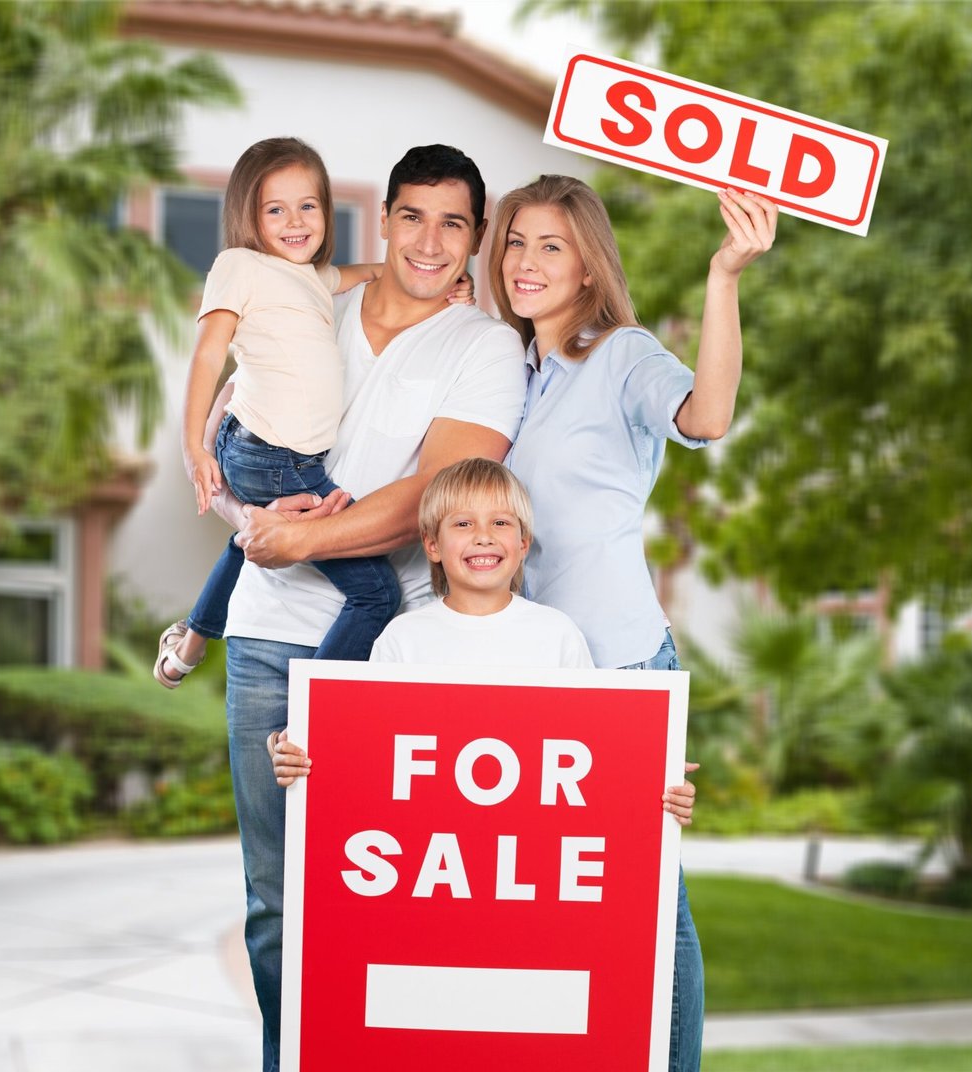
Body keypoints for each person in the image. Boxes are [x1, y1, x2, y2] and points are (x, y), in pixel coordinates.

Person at [211, 145, 527, 1072]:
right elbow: (231, 436)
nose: (429, 241)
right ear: (382, 220)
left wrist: (299, 539)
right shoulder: (316, 308)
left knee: (396, 897)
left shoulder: (484, 345)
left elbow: (436, 493)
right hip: (269, 640)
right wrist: (250, 520)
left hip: (402, 650)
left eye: (453, 223)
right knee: (276, 899)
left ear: (476, 238)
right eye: (412, 216)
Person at [488, 174, 777, 1072]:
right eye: (516, 242)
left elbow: (707, 415)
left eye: (552, 246)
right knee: (551, 901)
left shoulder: (622, 354)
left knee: (648, 900)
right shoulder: (513, 370)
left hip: (616, 670)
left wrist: (724, 277)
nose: (527, 261)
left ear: (588, 268)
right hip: (528, 674)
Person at [156, 137, 472, 689]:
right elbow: (207, 356)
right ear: (248, 217)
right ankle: (310, 712)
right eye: (275, 210)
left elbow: (370, 272)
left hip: (271, 451)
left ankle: (192, 639)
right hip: (273, 454)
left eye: (308, 206)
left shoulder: (312, 278)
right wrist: (193, 449)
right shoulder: (239, 266)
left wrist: (449, 279)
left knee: (257, 534)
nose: (296, 221)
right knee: (377, 594)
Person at [267, 456, 698, 830]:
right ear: (432, 545)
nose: (483, 536)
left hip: (528, 842)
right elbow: (371, 757)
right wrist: (297, 756)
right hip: (431, 843)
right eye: (463, 523)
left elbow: (588, 751)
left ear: (523, 544)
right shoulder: (402, 640)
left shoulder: (557, 635)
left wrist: (649, 778)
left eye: (501, 523)